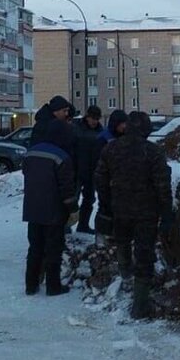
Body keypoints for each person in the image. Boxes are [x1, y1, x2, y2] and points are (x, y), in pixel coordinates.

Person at [93, 111, 173, 319]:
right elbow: (162, 185)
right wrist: (166, 212)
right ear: (146, 129)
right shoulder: (152, 152)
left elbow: (100, 179)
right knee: (144, 254)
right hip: (147, 212)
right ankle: (140, 305)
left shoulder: (111, 149)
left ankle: (125, 273)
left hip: (119, 209)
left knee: (122, 242)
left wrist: (106, 204)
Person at [22, 119, 78, 296]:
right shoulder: (62, 157)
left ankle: (31, 285)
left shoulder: (30, 153)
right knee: (54, 248)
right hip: (54, 210)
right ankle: (53, 286)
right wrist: (73, 209)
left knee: (35, 248)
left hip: (32, 208)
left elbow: (27, 175)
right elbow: (66, 188)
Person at [93, 109, 128, 237]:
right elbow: (97, 162)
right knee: (105, 207)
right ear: (115, 124)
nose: (125, 126)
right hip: (105, 179)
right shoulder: (103, 139)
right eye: (122, 124)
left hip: (119, 180)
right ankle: (102, 235)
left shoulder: (124, 137)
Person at [72, 105, 105, 234]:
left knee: (89, 199)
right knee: (72, 199)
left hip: (92, 171)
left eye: (97, 119)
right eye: (93, 118)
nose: (94, 121)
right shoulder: (76, 128)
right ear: (87, 116)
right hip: (77, 170)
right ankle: (66, 225)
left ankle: (83, 224)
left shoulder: (100, 131)